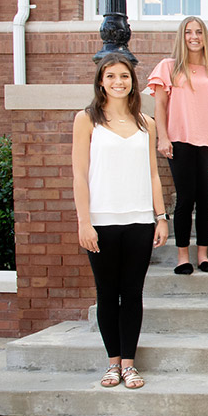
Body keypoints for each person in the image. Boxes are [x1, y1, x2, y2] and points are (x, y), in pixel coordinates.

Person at [72, 53, 169, 390]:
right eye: (111, 76)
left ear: (132, 81)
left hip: (140, 221)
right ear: (101, 81)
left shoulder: (147, 123)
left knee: (132, 294)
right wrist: (84, 222)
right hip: (101, 222)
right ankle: (112, 363)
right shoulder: (86, 120)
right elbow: (80, 176)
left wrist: (160, 217)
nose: (118, 82)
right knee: (106, 293)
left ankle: (129, 365)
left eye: (124, 76)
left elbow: (154, 175)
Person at [149, 16, 208, 275]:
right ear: (181, 36)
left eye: (199, 32)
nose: (194, 36)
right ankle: (182, 256)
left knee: (206, 200)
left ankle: (203, 255)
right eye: (188, 32)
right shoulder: (168, 67)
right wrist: (162, 137)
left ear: (205, 38)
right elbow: (160, 106)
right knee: (185, 199)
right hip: (180, 141)